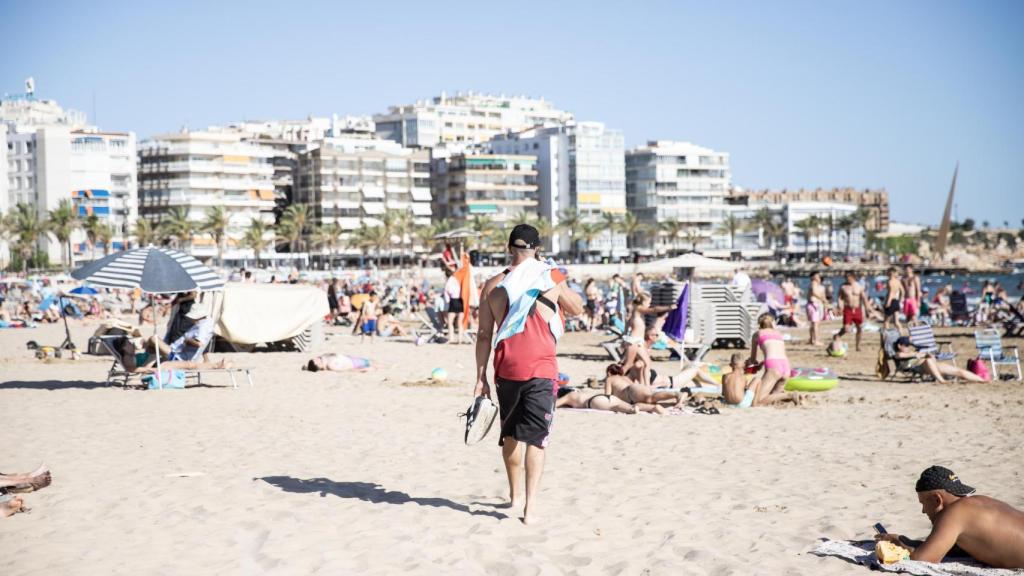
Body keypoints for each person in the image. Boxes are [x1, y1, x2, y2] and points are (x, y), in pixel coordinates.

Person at [474, 224, 584, 525]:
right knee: (536, 439)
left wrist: (480, 377)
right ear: (537, 249)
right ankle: (530, 507)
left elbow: (484, 335)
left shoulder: (493, 285)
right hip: (542, 369)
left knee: (510, 436)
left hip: (506, 368)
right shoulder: (550, 276)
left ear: (510, 248)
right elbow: (577, 309)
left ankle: (514, 496)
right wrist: (558, 279)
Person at [875, 466, 1024, 568]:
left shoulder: (954, 512)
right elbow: (949, 549)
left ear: (937, 500)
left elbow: (923, 559)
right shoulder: (979, 502)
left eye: (923, 503)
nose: (923, 511)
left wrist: (898, 542)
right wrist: (907, 541)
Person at [894, 337, 987, 383]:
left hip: (932, 366)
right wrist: (920, 354)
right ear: (899, 346)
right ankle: (942, 380)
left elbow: (914, 353)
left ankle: (981, 380)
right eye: (906, 346)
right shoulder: (898, 354)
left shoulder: (910, 352)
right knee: (928, 360)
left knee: (959, 371)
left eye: (908, 346)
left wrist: (924, 354)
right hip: (921, 366)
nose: (908, 348)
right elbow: (902, 355)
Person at [747, 314, 792, 402]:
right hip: (786, 366)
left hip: (773, 366)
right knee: (773, 398)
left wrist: (750, 366)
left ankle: (789, 395)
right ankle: (786, 396)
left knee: (758, 399)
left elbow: (753, 360)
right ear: (773, 323)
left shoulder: (757, 334)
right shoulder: (778, 334)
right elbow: (778, 353)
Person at [555, 386, 666, 414]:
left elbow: (554, 405)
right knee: (620, 404)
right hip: (606, 396)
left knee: (617, 407)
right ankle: (652, 407)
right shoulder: (580, 392)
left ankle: (633, 409)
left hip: (595, 401)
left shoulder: (569, 396)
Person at [837, 271, 867, 351]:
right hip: (848, 309)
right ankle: (838, 335)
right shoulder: (843, 287)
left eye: (848, 277)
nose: (847, 278)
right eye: (846, 277)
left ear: (853, 277)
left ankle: (858, 346)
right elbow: (840, 298)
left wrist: (868, 308)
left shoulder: (859, 286)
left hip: (857, 309)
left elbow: (864, 298)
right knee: (846, 329)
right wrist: (840, 307)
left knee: (859, 328)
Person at [444, 268, 465, 344]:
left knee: (450, 322)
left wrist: (447, 301)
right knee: (460, 323)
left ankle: (451, 338)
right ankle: (460, 339)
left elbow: (447, 292)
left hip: (453, 301)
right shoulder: (458, 280)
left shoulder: (448, 281)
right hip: (460, 301)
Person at [806, 272, 827, 346]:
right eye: (817, 276)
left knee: (814, 323)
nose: (818, 277)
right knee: (815, 323)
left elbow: (823, 296)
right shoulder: (813, 283)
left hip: (818, 305)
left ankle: (812, 339)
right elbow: (814, 292)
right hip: (813, 304)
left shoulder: (821, 286)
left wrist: (825, 304)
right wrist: (823, 299)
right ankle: (816, 340)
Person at [302, 353, 371, 372]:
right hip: (354, 363)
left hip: (351, 359)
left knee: (371, 362)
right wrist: (362, 370)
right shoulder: (330, 365)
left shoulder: (324, 358)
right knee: (372, 363)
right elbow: (347, 370)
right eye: (316, 360)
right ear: (319, 366)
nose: (316, 358)